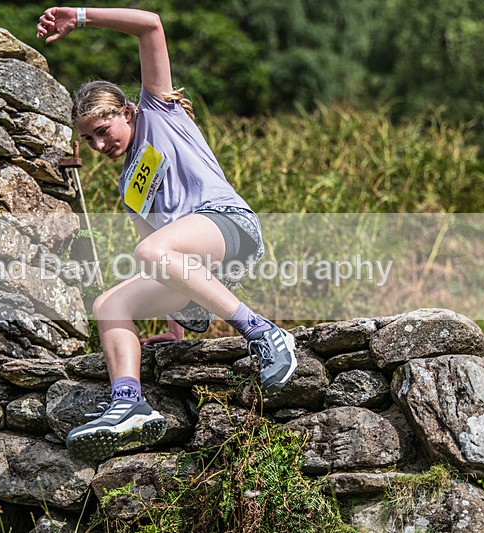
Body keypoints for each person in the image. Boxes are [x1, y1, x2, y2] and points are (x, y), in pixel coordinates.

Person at [37, 6, 297, 461]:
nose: (100, 146)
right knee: (108, 303)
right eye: (91, 141)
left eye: (103, 130)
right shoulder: (127, 184)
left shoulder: (159, 111)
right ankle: (128, 403)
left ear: (126, 111)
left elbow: (151, 23)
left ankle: (263, 333)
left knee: (151, 247)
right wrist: (177, 333)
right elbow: (162, 257)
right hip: (189, 256)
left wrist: (78, 18)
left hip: (230, 225)